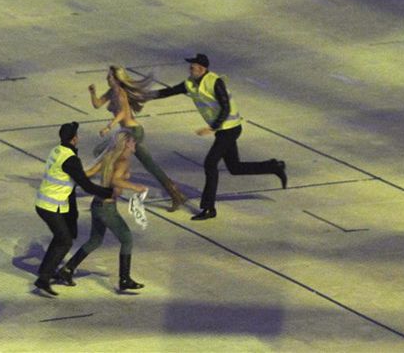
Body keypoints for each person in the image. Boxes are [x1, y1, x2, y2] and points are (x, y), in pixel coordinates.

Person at [150, 53, 287, 221]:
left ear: (202, 69)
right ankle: (273, 166)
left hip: (231, 128)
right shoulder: (190, 84)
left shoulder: (215, 82)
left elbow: (226, 107)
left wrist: (212, 127)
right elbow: (168, 92)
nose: (189, 69)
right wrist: (141, 95)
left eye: (192, 67)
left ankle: (209, 208)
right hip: (222, 130)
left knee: (210, 164)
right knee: (235, 168)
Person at [34, 122, 118, 296]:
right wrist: (107, 192)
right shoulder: (70, 159)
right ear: (74, 138)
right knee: (64, 241)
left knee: (62, 236)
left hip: (48, 202)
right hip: (50, 206)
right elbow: (85, 185)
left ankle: (45, 270)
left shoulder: (57, 150)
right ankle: (43, 279)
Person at [56, 131, 147, 292]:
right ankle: (124, 279)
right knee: (127, 239)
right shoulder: (123, 160)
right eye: (133, 141)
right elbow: (115, 180)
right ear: (126, 143)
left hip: (97, 204)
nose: (135, 145)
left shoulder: (109, 156)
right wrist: (136, 187)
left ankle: (67, 269)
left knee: (95, 240)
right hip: (107, 208)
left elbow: (89, 173)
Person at [89, 66, 187, 212]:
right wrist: (93, 93)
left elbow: (123, 112)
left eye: (109, 77)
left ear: (116, 79)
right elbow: (97, 104)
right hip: (127, 131)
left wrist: (109, 126)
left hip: (133, 132)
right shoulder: (112, 92)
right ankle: (175, 194)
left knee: (105, 154)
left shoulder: (120, 93)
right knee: (149, 164)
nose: (107, 79)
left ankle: (110, 186)